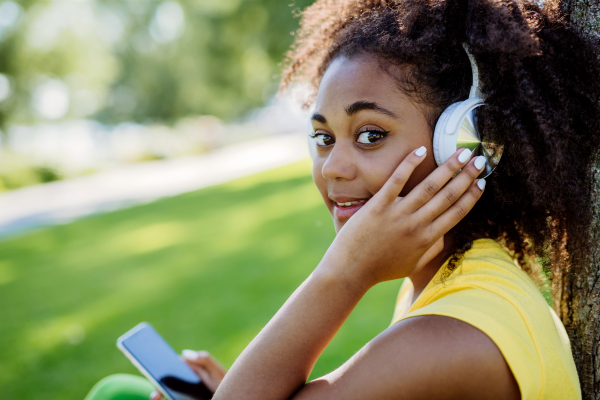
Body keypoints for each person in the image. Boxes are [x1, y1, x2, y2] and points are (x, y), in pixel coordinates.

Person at [86, 0, 600, 399]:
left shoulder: (457, 336)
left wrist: (344, 272)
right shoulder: (456, 278)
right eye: (324, 138)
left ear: (468, 145)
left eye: (370, 134)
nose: (333, 167)